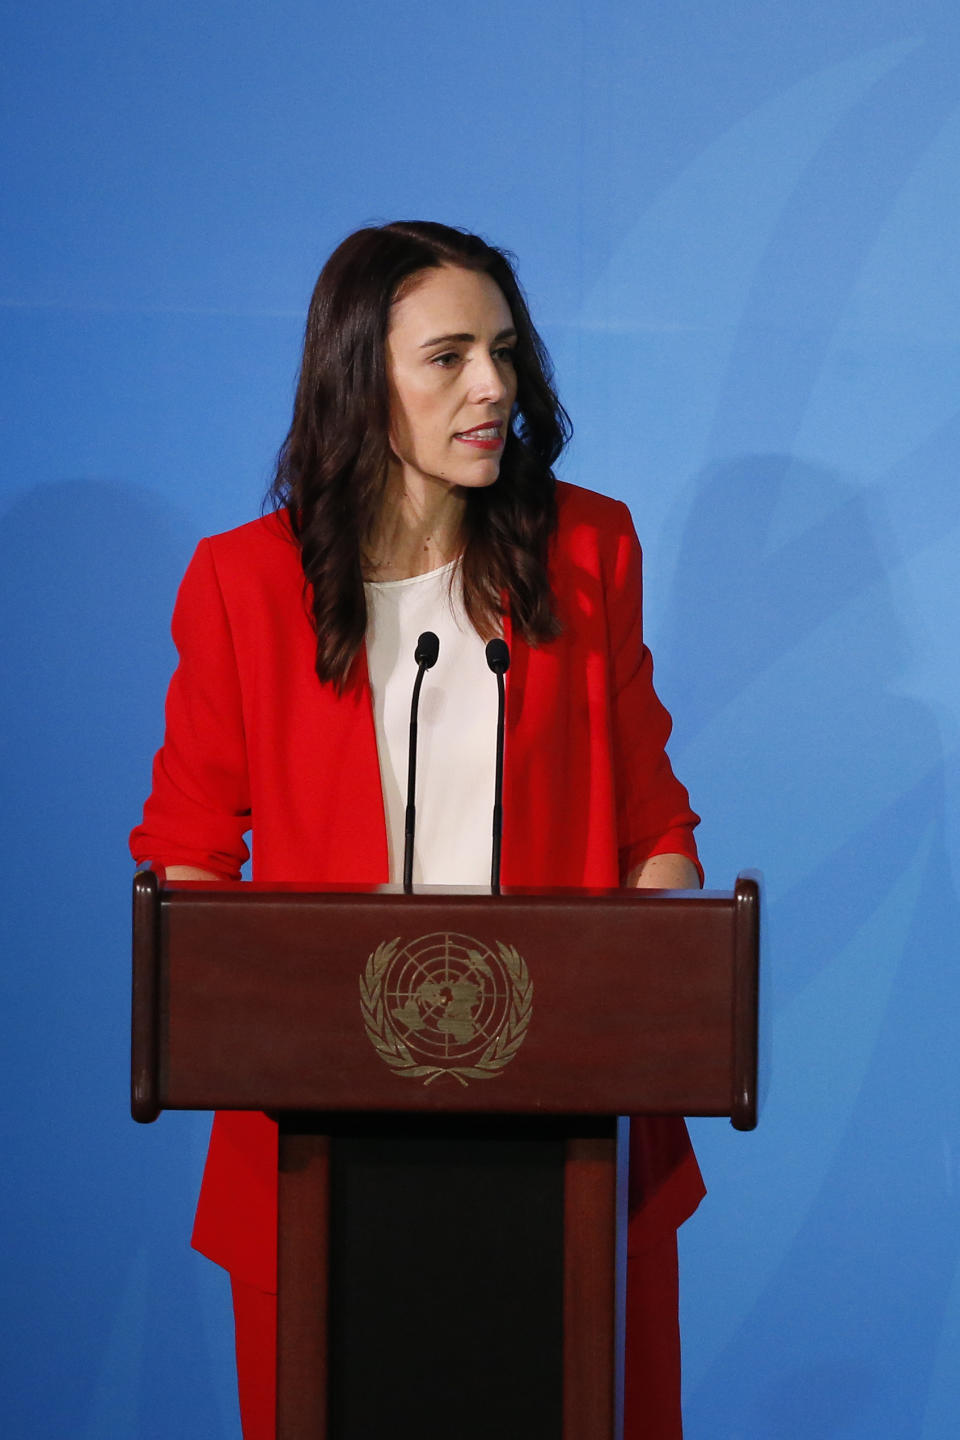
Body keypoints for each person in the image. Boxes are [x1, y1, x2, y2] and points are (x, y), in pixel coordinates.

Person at [131, 220, 705, 1438]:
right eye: (448, 357)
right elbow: (186, 856)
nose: (493, 385)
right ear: (360, 381)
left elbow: (654, 823)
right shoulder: (242, 584)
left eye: (503, 352)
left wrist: (648, 1018)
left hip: (568, 1135)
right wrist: (252, 1018)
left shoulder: (588, 550)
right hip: (318, 1145)